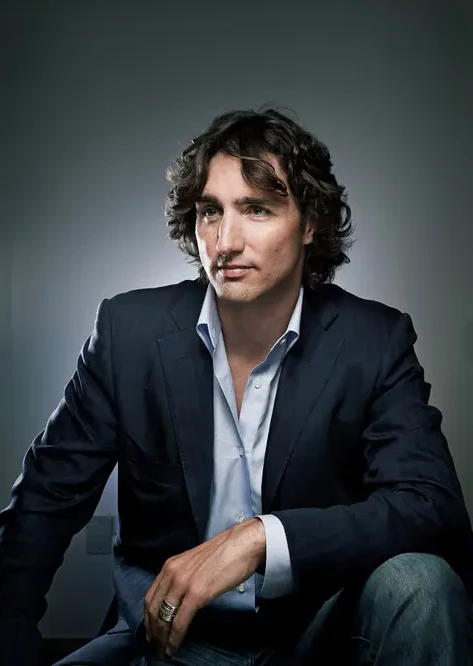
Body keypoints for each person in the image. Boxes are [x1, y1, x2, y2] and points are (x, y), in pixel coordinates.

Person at [1, 108, 472, 666]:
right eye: (210, 212)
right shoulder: (129, 333)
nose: (225, 240)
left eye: (257, 209)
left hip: (316, 635)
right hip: (167, 641)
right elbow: (43, 502)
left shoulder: (373, 340)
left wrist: (261, 540)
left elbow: (432, 507)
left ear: (310, 223)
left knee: (421, 581)